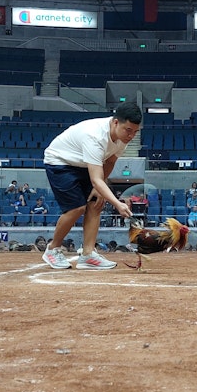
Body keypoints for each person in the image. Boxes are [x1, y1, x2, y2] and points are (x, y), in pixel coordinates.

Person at [39, 101, 141, 270]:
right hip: (60, 162)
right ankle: (52, 249)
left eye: (135, 132)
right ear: (115, 122)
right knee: (76, 208)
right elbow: (96, 179)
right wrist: (117, 204)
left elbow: (110, 161)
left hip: (85, 163)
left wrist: (98, 189)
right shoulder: (94, 136)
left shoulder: (123, 137)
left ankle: (87, 254)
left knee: (96, 202)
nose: (131, 136)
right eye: (128, 130)